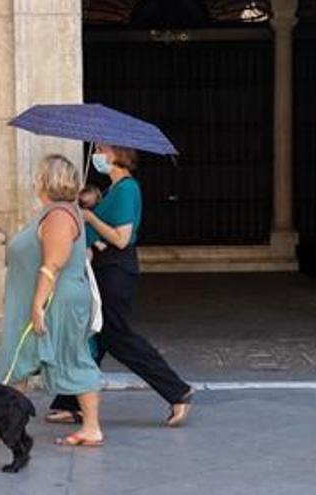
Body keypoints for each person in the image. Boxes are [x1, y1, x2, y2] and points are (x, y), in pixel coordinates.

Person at [46, 143, 195, 434]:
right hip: (105, 270)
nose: (96, 154)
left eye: (101, 148)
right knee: (97, 335)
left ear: (117, 154)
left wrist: (89, 217)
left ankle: (177, 391)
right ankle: (69, 402)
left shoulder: (127, 188)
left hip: (116, 271)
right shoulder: (113, 190)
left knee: (118, 336)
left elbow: (122, 238)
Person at [0, 154, 104, 447]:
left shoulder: (59, 216)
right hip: (48, 299)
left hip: (53, 300)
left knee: (58, 357)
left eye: (39, 173)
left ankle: (91, 428)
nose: (35, 178)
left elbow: (52, 264)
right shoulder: (56, 212)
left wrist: (37, 305)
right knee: (18, 359)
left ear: (47, 179)